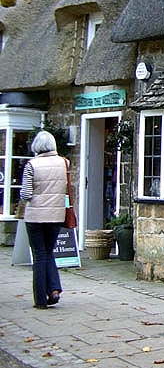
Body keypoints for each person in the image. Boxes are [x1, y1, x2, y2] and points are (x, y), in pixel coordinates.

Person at [19, 130, 68, 309]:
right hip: (56, 215)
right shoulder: (64, 163)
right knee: (49, 252)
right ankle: (54, 290)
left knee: (39, 255)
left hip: (36, 216)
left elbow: (26, 194)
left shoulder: (32, 165)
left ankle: (40, 299)